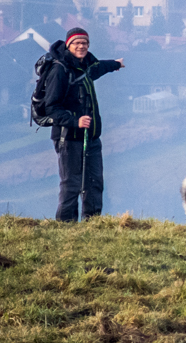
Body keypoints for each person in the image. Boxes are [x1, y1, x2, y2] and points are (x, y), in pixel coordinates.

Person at [42, 27, 124, 222]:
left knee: (94, 183)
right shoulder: (60, 70)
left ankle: (93, 225)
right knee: (71, 185)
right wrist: (75, 121)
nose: (81, 46)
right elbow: (51, 108)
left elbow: (98, 68)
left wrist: (115, 64)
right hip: (69, 138)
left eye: (85, 43)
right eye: (77, 43)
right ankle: (65, 228)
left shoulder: (84, 66)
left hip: (92, 138)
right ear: (68, 45)